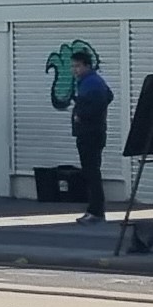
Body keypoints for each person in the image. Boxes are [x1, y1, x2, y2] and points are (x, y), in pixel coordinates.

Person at [69, 48, 114, 224]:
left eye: (78, 66)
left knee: (92, 172)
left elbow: (101, 101)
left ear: (87, 66)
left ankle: (96, 211)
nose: (75, 70)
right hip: (92, 131)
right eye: (73, 66)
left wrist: (82, 115)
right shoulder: (91, 81)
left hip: (90, 132)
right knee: (91, 171)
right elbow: (109, 95)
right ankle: (94, 209)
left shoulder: (91, 83)